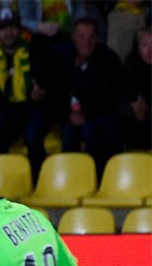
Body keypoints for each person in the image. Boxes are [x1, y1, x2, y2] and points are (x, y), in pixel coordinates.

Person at [0, 9, 52, 182]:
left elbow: (49, 77)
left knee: (33, 136)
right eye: (3, 28)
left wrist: (42, 88)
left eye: (13, 27)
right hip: (8, 108)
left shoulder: (34, 46)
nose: (9, 32)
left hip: (33, 106)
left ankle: (38, 182)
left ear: (20, 29)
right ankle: (3, 181)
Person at [61, 17, 123, 177]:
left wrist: (86, 115)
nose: (86, 42)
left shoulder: (109, 59)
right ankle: (72, 178)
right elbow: (59, 92)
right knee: (68, 132)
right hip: (73, 115)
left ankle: (99, 179)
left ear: (97, 38)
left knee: (92, 131)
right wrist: (71, 113)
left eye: (91, 37)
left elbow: (110, 97)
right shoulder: (66, 58)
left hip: (102, 115)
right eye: (82, 36)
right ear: (74, 37)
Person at [120, 28, 151, 151]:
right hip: (132, 127)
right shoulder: (129, 69)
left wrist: (146, 111)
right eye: (145, 45)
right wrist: (134, 109)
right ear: (138, 48)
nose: (150, 51)